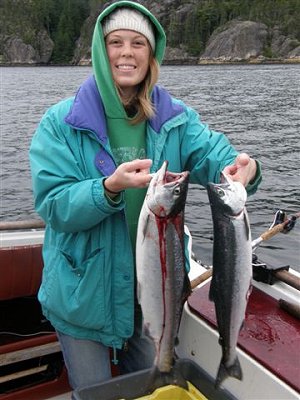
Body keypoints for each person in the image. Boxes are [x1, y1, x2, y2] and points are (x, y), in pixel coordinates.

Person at [29, 0, 262, 395]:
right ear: (101, 52)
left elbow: (216, 157)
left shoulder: (175, 117)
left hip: (152, 293)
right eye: (115, 41)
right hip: (80, 296)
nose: (126, 52)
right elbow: (53, 204)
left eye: (138, 43)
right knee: (95, 393)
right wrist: (108, 189)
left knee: (151, 392)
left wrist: (244, 169)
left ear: (152, 53)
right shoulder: (61, 123)